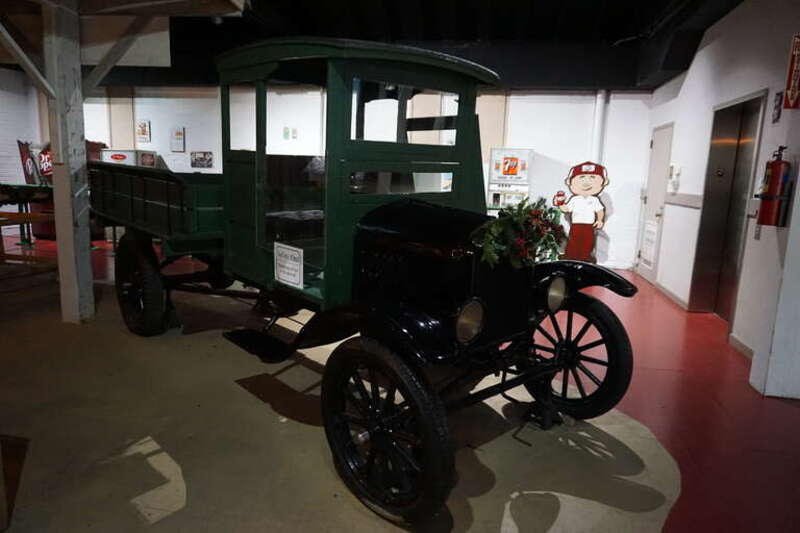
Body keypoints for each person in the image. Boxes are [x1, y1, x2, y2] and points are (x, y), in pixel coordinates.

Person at [553, 161, 608, 263]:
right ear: (570, 182)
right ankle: (570, 256)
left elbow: (600, 210)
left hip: (588, 226)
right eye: (581, 177)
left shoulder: (594, 200)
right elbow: (567, 209)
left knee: (588, 242)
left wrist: (600, 220)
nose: (586, 182)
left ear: (603, 182)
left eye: (592, 178)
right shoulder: (575, 199)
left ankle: (586, 257)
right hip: (575, 225)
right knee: (573, 242)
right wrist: (560, 203)